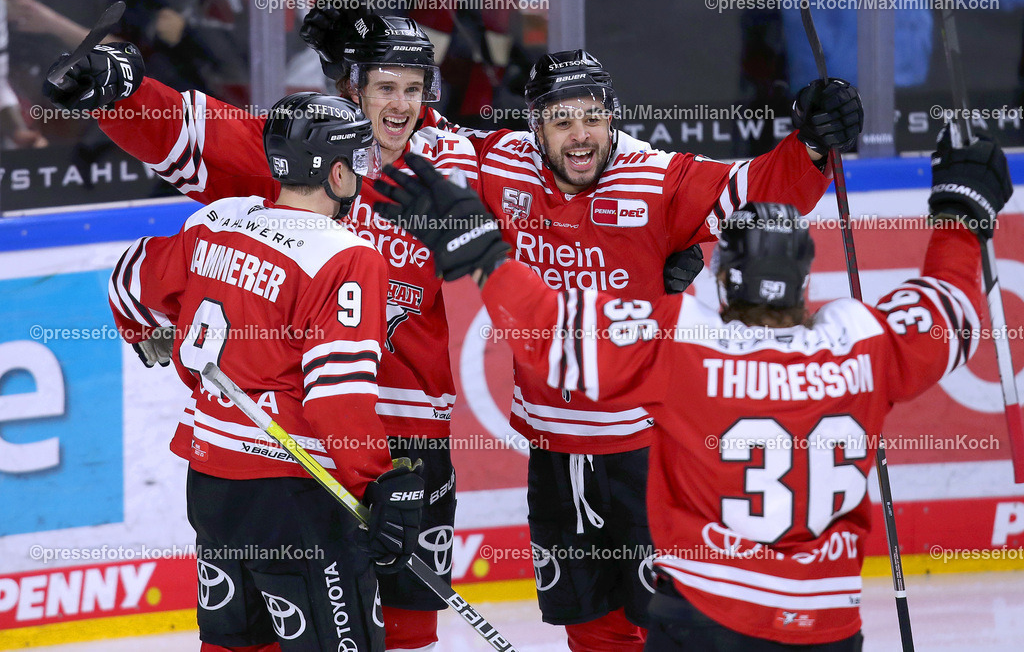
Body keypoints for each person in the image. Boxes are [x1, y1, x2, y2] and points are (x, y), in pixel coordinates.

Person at [304, 0, 859, 646]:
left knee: (668, 628)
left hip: (646, 452)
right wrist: (356, 67)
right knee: (591, 630)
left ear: (612, 117)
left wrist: (811, 144)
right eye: (561, 120)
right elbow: (410, 131)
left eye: (593, 117)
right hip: (553, 453)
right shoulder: (500, 163)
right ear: (534, 127)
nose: (580, 135)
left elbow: (755, 188)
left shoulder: (654, 177)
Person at [369, 126, 1012, 650]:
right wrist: (963, 212)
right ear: (803, 277)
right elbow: (950, 310)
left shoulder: (686, 341)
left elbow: (550, 333)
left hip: (707, 616)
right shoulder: (862, 344)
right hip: (826, 625)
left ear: (723, 278)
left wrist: (482, 252)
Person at [43, 10, 476, 652]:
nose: (400, 104)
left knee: (406, 624)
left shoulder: (460, 161)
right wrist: (121, 91)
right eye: (384, 85)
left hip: (402, 433)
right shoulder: (305, 154)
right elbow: (193, 131)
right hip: (310, 443)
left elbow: (558, 170)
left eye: (413, 88)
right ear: (351, 87)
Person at [103, 92, 424, 651]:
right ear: (338, 173)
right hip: (297, 493)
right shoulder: (346, 256)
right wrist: (374, 482)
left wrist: (142, 330)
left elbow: (130, 275)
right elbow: (336, 398)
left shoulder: (219, 220)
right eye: (359, 162)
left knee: (235, 644)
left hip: (212, 484)